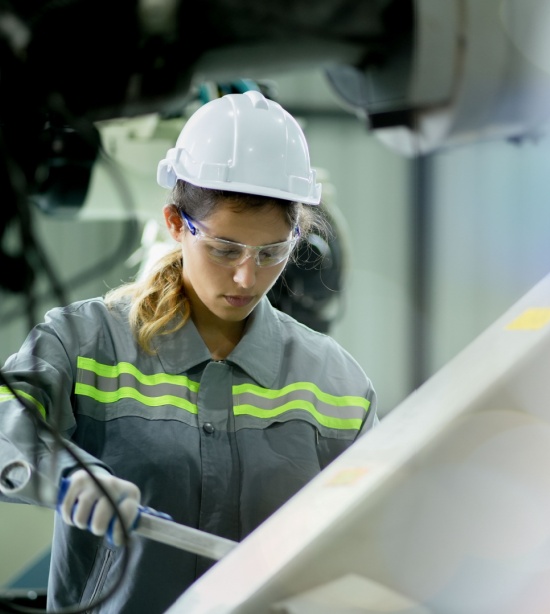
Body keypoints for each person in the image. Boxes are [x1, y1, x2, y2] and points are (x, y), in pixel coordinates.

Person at [0, 89, 378, 613]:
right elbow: (6, 432)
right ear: (177, 224)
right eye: (225, 249)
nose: (248, 277)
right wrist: (67, 475)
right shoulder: (83, 342)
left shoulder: (337, 384)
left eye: (272, 252)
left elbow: (371, 536)